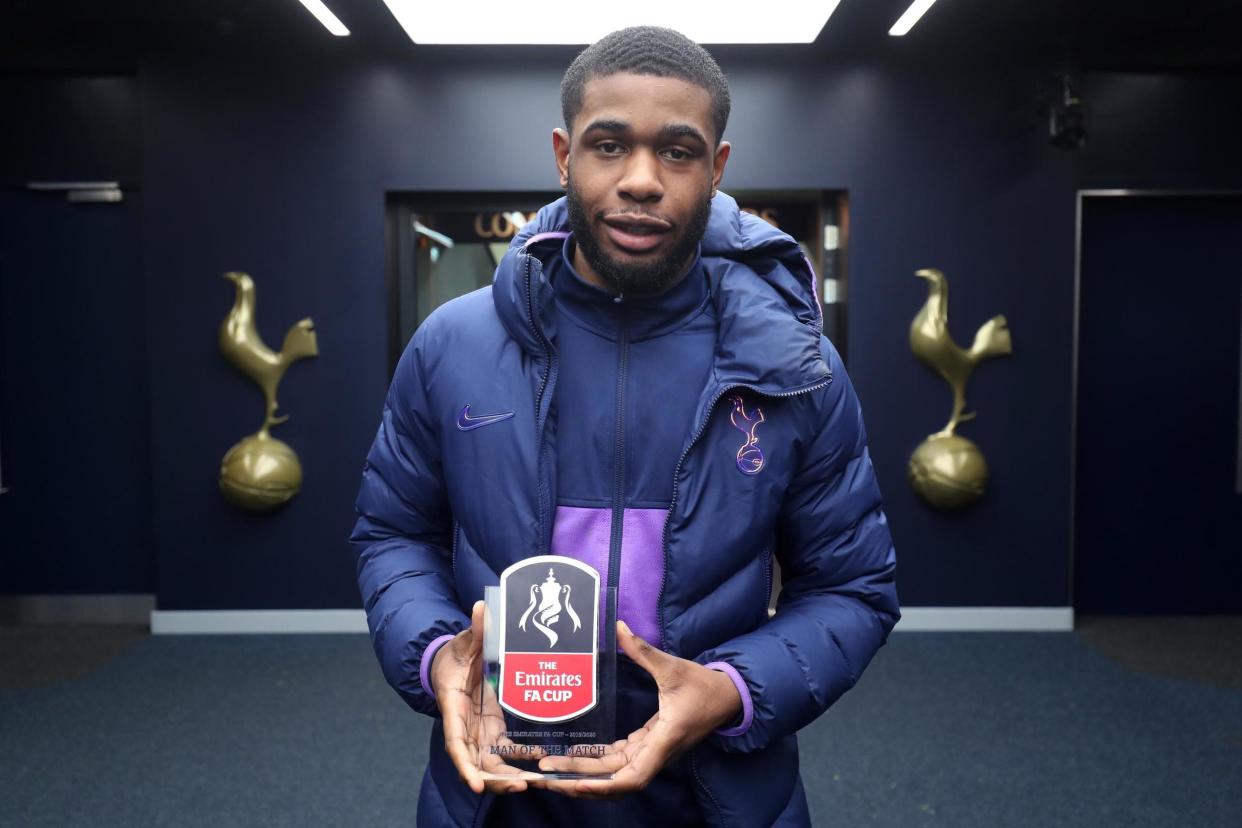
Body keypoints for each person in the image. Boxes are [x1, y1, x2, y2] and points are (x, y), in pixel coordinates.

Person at [351, 25, 899, 827]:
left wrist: (733, 690)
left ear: (716, 169)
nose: (641, 179)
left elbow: (853, 587)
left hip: (715, 796)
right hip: (500, 791)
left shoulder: (795, 365)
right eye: (609, 145)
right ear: (563, 156)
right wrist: (438, 656)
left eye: (677, 152)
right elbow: (393, 534)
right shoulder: (451, 347)